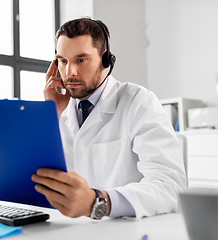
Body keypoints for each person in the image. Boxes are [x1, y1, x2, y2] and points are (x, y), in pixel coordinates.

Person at [31, 18, 187, 220]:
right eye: (63, 61)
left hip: (127, 229)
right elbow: (38, 178)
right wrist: (50, 114)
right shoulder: (59, 109)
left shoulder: (139, 102)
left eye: (81, 59)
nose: (70, 72)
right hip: (71, 230)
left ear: (106, 60)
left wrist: (97, 201)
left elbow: (170, 186)